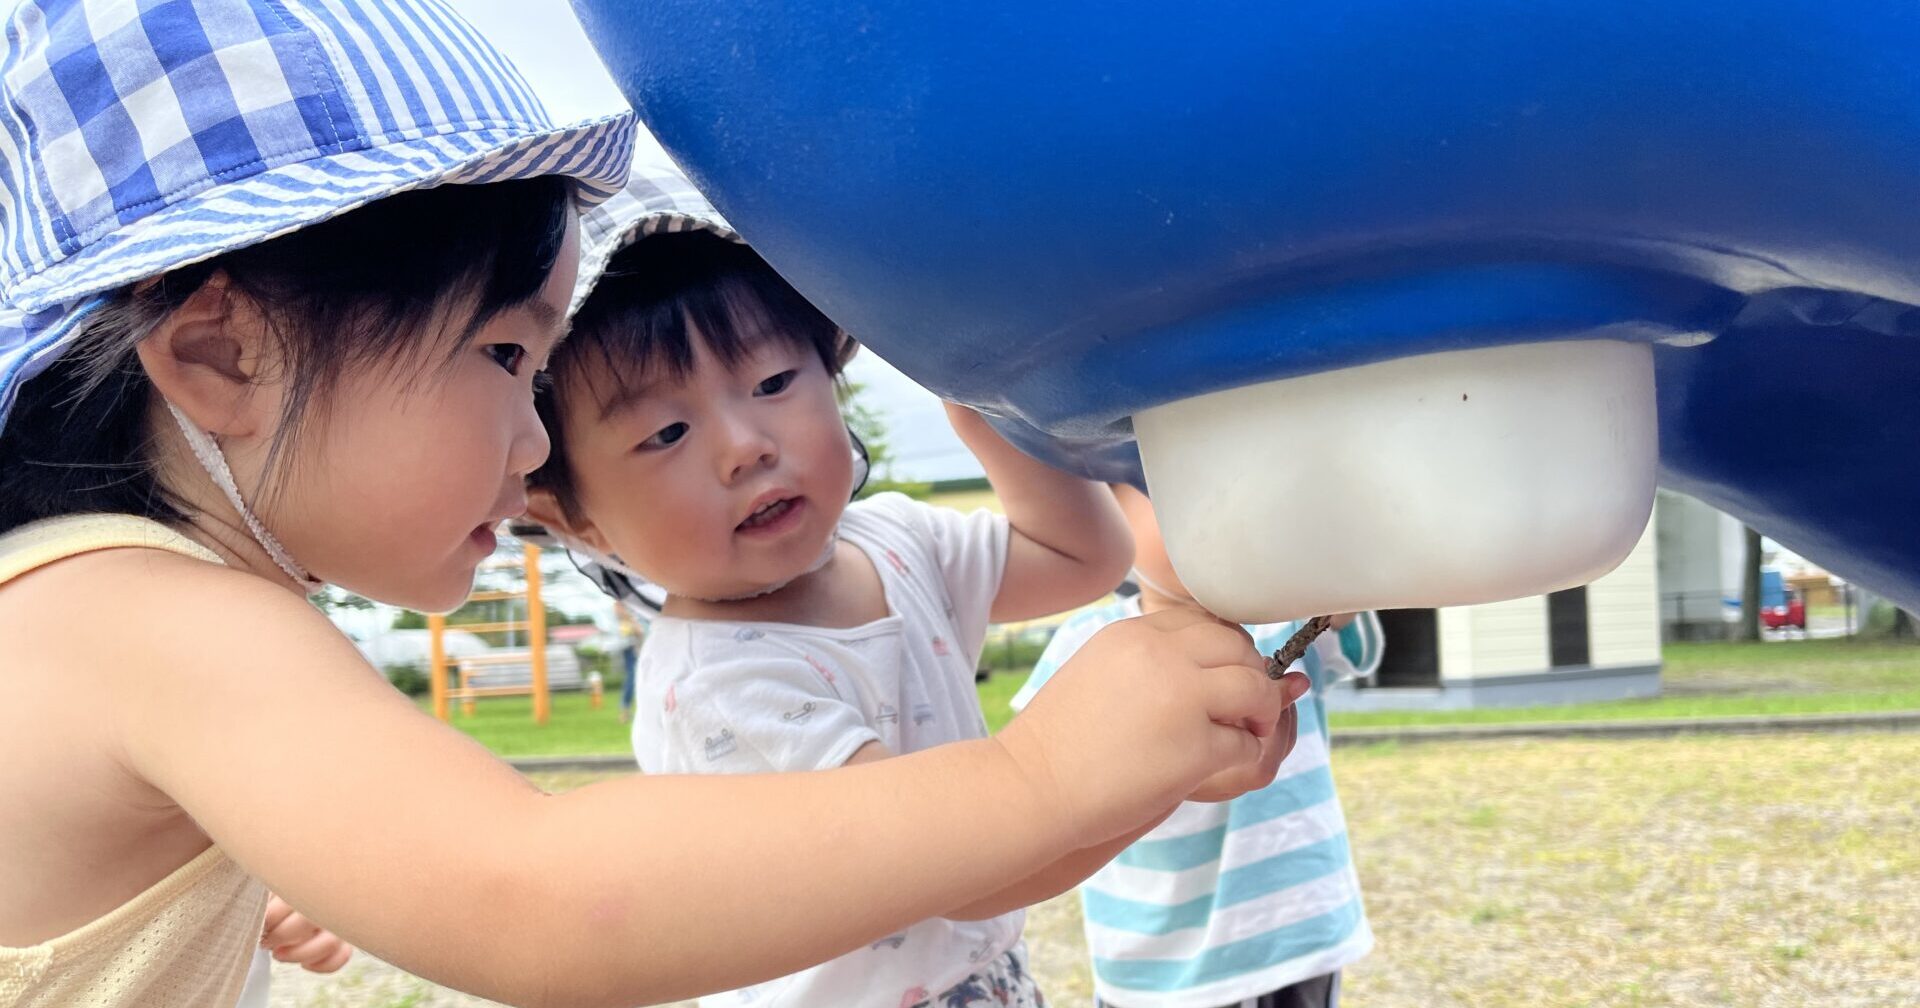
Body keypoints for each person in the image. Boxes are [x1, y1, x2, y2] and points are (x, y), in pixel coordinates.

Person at [0, 3, 1293, 1006]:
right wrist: (1040, 773)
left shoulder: (104, 609)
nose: (529, 441)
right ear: (224, 357)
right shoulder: (152, 618)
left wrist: (287, 848)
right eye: (508, 357)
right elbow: (534, 893)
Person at [522, 159, 1312, 1008]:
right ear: (576, 518)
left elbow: (1082, 556)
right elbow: (953, 873)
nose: (745, 444)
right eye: (668, 431)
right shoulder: (721, 686)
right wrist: (1155, 771)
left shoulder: (894, 537)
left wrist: (985, 399)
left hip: (983, 980)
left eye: (774, 382)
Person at [1014, 485, 1384, 1008]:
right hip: (1158, 968)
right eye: (1159, 491)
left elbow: (1349, 621)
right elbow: (1049, 775)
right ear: (1107, 512)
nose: (1207, 511)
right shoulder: (1086, 648)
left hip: (1298, 935)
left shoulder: (1281, 621)